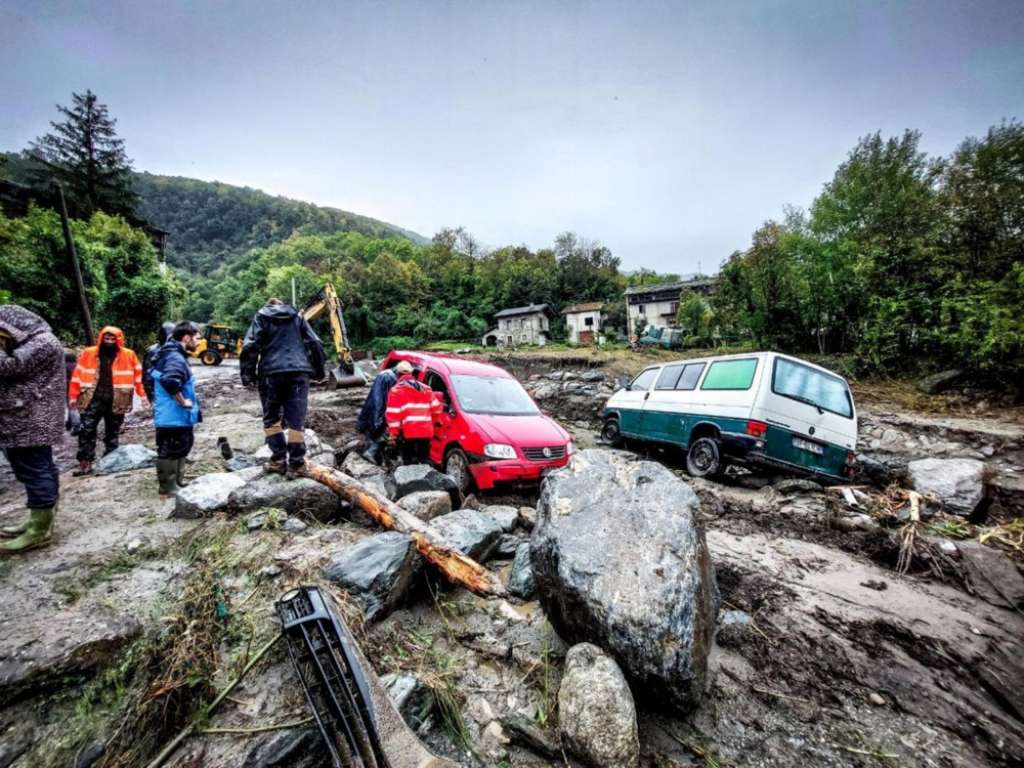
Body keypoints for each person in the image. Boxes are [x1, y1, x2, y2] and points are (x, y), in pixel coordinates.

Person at [0, 305, 65, 555]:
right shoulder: (35, 340)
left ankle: (40, 530)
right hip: (26, 416)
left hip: (31, 417)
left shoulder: (41, 343)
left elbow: (7, 367)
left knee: (36, 469)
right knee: (37, 467)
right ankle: (38, 520)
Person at [240, 298, 326, 477]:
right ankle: (297, 463)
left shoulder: (261, 317)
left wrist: (247, 375)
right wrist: (318, 371)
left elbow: (250, 346)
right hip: (298, 372)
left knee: (271, 418)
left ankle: (278, 459)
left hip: (271, 373)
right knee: (296, 420)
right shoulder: (297, 317)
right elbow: (315, 343)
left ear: (268, 306)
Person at [68, 326, 147, 475]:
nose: (109, 341)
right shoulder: (89, 353)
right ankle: (85, 463)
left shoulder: (128, 355)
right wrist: (73, 396)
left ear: (118, 340)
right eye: (106, 338)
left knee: (113, 431)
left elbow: (138, 377)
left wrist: (142, 396)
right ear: (101, 338)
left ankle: (111, 459)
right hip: (92, 398)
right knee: (86, 430)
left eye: (112, 339)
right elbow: (77, 375)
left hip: (118, 399)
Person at [151, 322, 202, 496]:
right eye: (197, 338)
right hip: (172, 415)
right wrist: (182, 401)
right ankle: (168, 486)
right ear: (186, 338)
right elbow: (170, 380)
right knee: (170, 448)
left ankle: (177, 481)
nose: (199, 342)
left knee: (182, 445)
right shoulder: (174, 357)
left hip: (174, 415)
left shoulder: (173, 354)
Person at [385, 361, 440, 465]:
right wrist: (434, 424)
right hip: (426, 431)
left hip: (408, 432)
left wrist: (393, 435)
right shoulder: (426, 389)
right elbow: (436, 409)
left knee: (408, 462)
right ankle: (426, 479)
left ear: (398, 374)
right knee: (424, 460)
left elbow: (393, 415)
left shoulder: (396, 390)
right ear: (411, 373)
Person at [355, 364, 398, 464]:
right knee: (384, 432)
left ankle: (378, 456)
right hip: (380, 411)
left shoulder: (385, 375)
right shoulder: (389, 378)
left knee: (377, 431)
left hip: (373, 409)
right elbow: (386, 400)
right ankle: (373, 453)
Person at [142, 322, 176, 403]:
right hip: (158, 388)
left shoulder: (175, 349)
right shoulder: (153, 351)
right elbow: (148, 374)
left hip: (170, 388)